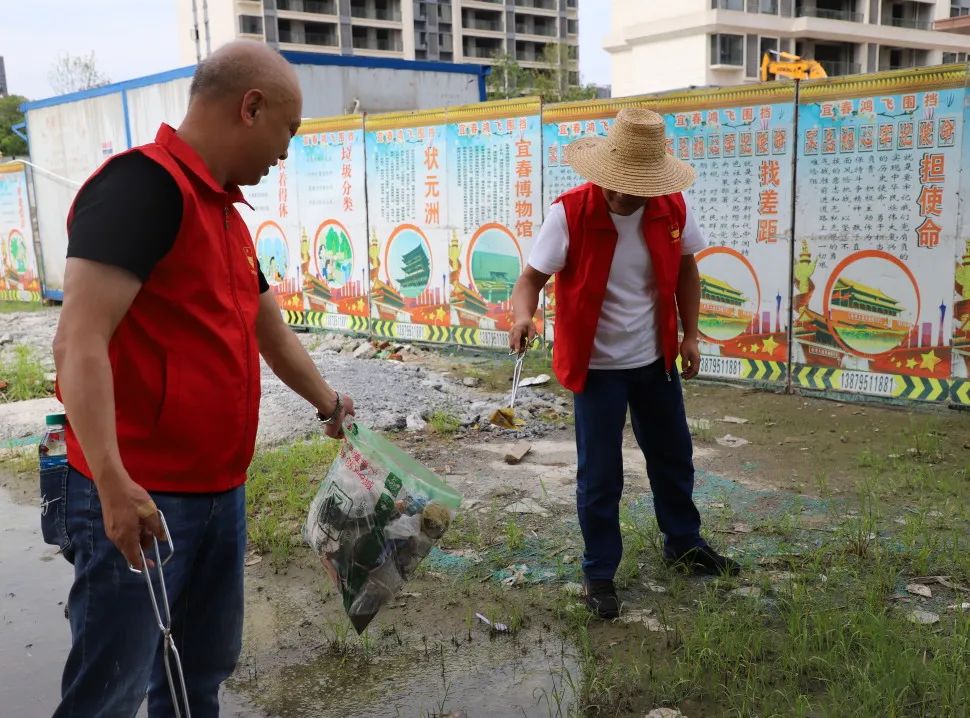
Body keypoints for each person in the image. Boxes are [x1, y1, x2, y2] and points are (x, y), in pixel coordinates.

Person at [50, 42, 354, 717]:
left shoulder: (224, 214)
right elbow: (78, 340)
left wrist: (330, 403)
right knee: (110, 689)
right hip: (141, 495)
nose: (285, 153)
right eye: (288, 130)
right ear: (251, 107)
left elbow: (268, 328)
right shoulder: (141, 187)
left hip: (220, 491)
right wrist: (112, 482)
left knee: (197, 673)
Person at [509, 107, 740, 620]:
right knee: (600, 474)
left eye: (632, 187)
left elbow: (687, 272)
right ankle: (599, 572)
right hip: (596, 368)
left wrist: (690, 335)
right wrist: (523, 317)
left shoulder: (671, 209)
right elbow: (530, 280)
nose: (619, 194)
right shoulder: (569, 213)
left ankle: (684, 543)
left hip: (654, 361)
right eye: (613, 182)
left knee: (673, 456)